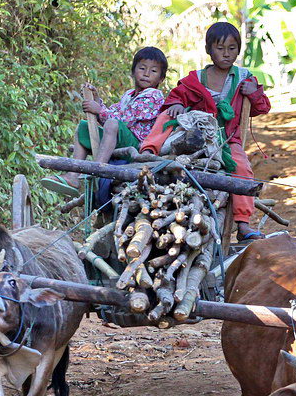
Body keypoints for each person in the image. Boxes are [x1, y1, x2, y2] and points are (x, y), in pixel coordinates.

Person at [140, 22, 271, 241]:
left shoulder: (244, 78)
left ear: (238, 50)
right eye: (220, 48)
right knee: (168, 117)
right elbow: (177, 95)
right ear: (209, 50)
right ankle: (148, 152)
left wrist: (254, 93)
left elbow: (262, 107)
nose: (226, 54)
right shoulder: (196, 78)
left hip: (227, 140)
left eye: (232, 48)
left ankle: (243, 224)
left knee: (242, 167)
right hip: (197, 136)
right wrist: (177, 104)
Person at [41, 46, 167, 197]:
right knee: (84, 127)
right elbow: (114, 112)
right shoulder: (129, 95)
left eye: (153, 71)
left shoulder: (154, 96)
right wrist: (97, 100)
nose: (146, 74)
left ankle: (96, 170)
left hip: (136, 144)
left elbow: (125, 120)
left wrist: (99, 110)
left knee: (113, 123)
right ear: (133, 72)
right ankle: (72, 176)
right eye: (142, 68)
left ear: (161, 78)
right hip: (119, 138)